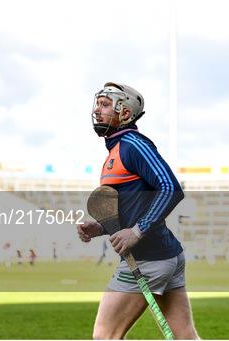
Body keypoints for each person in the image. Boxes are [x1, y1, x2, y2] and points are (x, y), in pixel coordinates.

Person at [77, 82, 200, 339]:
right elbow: (130, 208)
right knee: (185, 335)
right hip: (164, 255)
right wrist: (100, 228)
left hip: (148, 259)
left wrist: (137, 231)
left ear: (124, 112)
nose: (98, 110)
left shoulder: (133, 144)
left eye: (105, 104)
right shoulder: (116, 150)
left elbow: (170, 188)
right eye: (97, 104)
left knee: (105, 336)